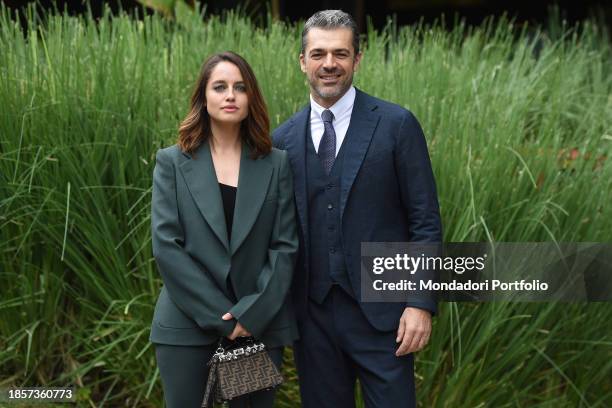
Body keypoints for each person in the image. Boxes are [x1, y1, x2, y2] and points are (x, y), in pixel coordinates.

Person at [272, 10, 442, 408]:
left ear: (357, 60)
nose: (329, 64)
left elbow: (425, 221)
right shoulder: (281, 140)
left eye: (340, 53)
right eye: (318, 54)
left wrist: (419, 303)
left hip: (386, 317)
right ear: (302, 61)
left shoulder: (397, 125)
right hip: (312, 321)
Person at [150, 51, 299, 408]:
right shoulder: (171, 162)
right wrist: (223, 318)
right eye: (220, 87)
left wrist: (249, 315)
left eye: (240, 87)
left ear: (251, 98)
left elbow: (284, 247)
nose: (230, 95)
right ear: (204, 97)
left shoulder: (275, 164)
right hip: (187, 324)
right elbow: (167, 247)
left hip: (254, 325)